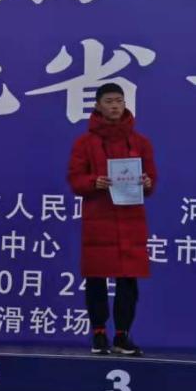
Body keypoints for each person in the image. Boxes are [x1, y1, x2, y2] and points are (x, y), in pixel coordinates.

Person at [67, 83, 157, 356]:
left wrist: (147, 182)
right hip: (99, 219)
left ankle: (122, 336)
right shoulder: (84, 143)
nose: (115, 106)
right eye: (109, 101)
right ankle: (98, 334)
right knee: (95, 279)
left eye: (119, 100)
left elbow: (151, 180)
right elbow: (75, 179)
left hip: (130, 220)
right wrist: (94, 182)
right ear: (97, 105)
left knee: (128, 281)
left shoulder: (140, 142)